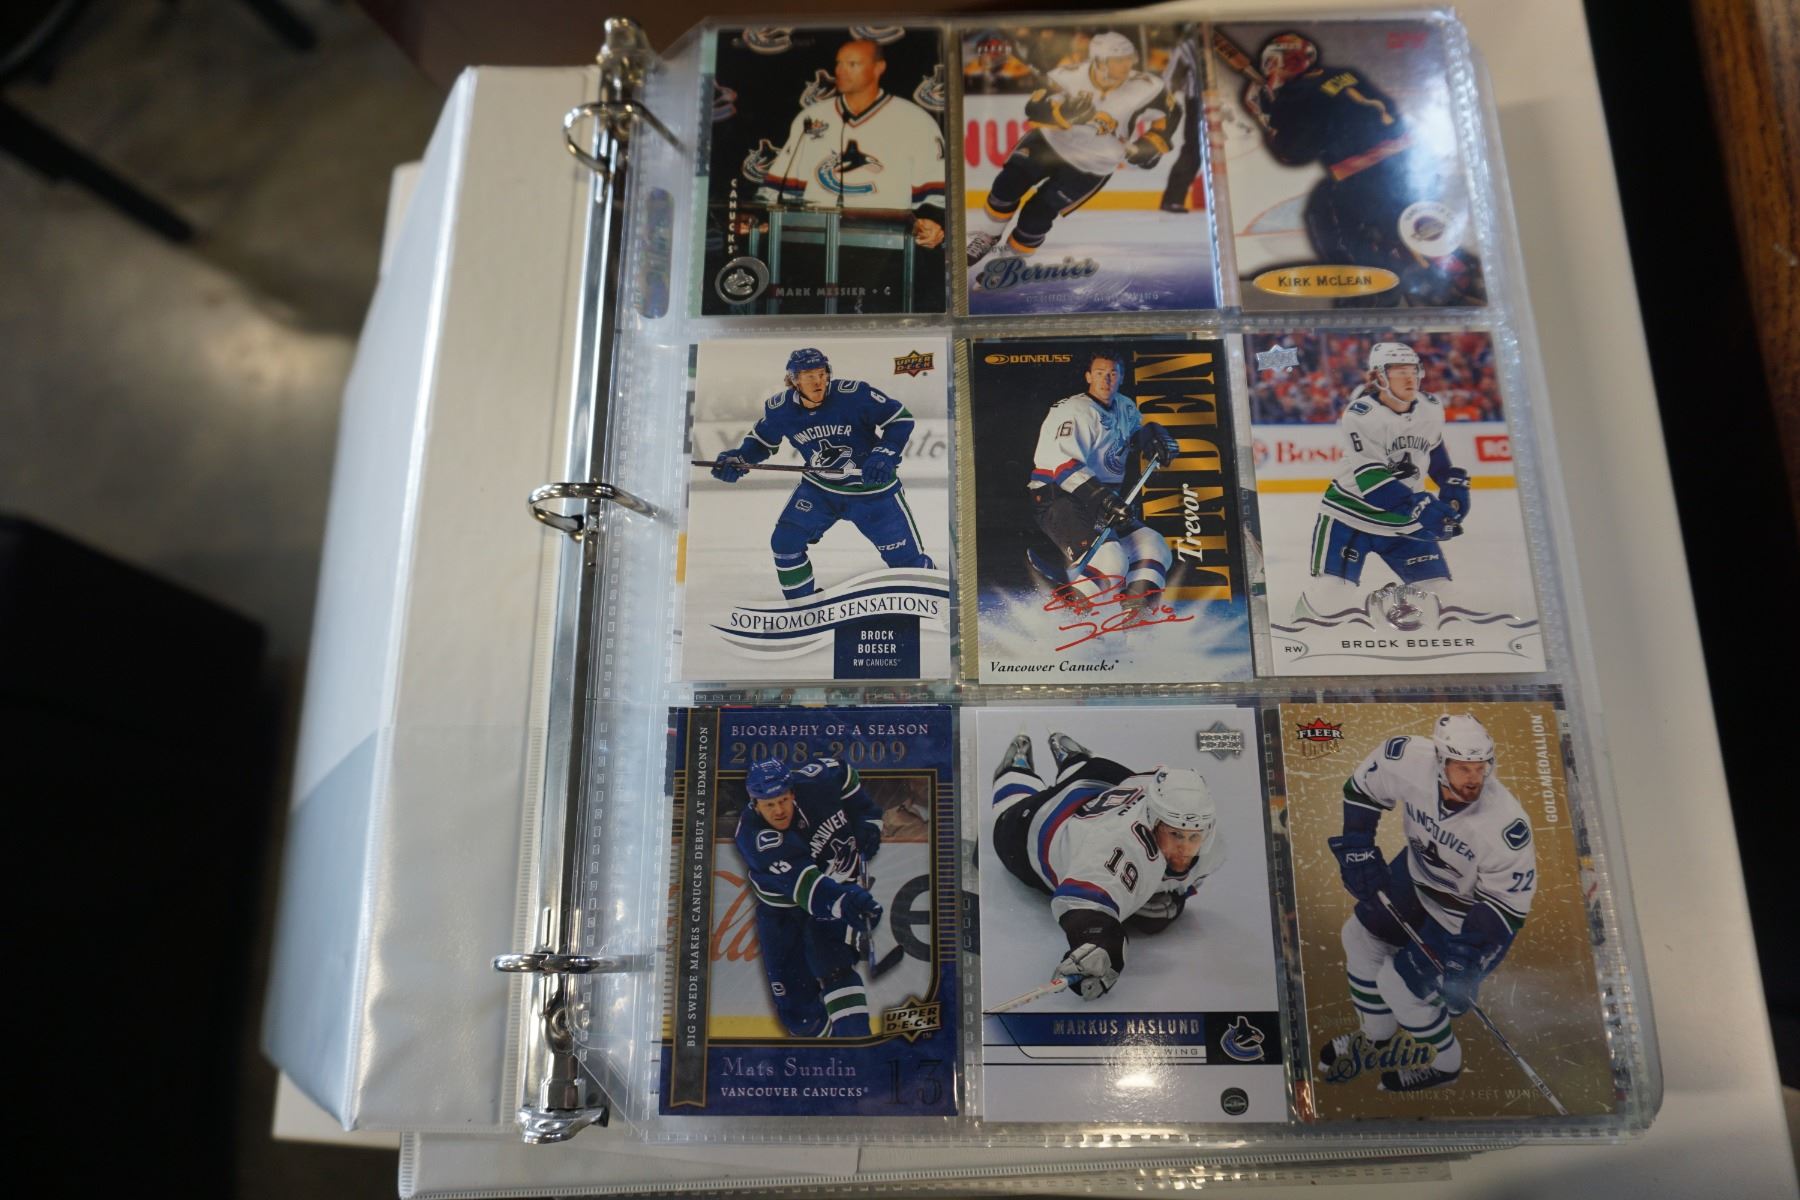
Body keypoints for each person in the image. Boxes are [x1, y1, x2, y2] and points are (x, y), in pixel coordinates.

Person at [1318, 713, 1536, 1091]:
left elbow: (1505, 906)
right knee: (1359, 938)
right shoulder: (1406, 758)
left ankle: (1445, 1065)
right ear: (1439, 761)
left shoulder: (1505, 826)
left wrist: (1470, 958)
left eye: (1481, 767)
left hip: (1466, 912)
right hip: (1417, 874)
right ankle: (1376, 1038)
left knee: (1399, 987)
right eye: (1463, 767)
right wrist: (1357, 847)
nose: (1474, 778)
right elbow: (1363, 789)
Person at [1238, 31, 1485, 306]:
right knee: (1401, 224)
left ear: (1276, 63)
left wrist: (1264, 113)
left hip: (1366, 172)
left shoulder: (1296, 94)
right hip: (1408, 165)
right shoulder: (1342, 74)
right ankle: (1454, 266)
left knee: (1325, 216)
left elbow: (1293, 153)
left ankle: (1370, 292)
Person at [990, 731, 1226, 999]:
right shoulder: (1123, 846)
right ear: (1153, 821)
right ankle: (1016, 771)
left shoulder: (1199, 829)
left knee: (1102, 769)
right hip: (1039, 823)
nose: (1184, 849)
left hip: (1103, 780)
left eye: (1193, 837)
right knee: (1008, 820)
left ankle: (1076, 761)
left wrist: (1168, 895)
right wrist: (1099, 940)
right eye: (1175, 834)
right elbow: (1083, 901)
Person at [711, 348, 934, 602]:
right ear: (794, 380)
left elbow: (899, 419)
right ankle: (802, 607)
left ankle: (936, 603)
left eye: (822, 374)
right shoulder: (780, 409)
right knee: (785, 543)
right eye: (809, 376)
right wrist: (740, 459)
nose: (818, 381)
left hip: (873, 492)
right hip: (820, 491)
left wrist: (884, 454)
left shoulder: (854, 395)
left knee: (907, 564)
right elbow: (761, 442)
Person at [967, 31, 1182, 264]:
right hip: (1049, 143)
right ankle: (988, 235)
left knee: (1038, 215)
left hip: (1093, 164)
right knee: (1007, 185)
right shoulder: (1066, 76)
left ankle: (1008, 263)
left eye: (1130, 58)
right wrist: (1068, 112)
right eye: (1119, 60)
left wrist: (1147, 146)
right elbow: (1035, 108)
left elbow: (1171, 114)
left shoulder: (1149, 87)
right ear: (1100, 61)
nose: (1127, 65)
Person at [1293, 341, 1469, 623]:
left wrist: (1450, 485)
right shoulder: (1361, 414)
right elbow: (1373, 482)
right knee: (1331, 594)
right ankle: (1300, 633)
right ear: (1380, 376)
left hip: (1404, 522)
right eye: (1399, 371)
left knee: (1443, 599)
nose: (1409, 378)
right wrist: (1421, 507)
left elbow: (1433, 451)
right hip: (1350, 516)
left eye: (1412, 370)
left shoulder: (1431, 407)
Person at [734, 757, 885, 1037]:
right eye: (769, 805)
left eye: (783, 800)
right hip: (785, 915)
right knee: (799, 1016)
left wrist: (868, 821)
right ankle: (824, 1046)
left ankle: (855, 1046)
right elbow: (808, 887)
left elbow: (844, 773)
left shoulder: (817, 781)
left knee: (833, 965)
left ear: (793, 792)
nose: (779, 810)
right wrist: (847, 902)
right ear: (755, 804)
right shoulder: (754, 837)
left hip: (831, 895)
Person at [751, 37, 945, 250]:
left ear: (879, 68)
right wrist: (758, 218)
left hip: (887, 247)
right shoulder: (811, 118)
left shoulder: (914, 119)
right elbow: (778, 190)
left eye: (852, 64)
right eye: (838, 63)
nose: (840, 71)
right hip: (814, 242)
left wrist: (932, 223)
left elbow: (936, 194)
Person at [1027, 351, 1177, 610]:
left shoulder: (1125, 406)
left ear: (1121, 377)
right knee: (1110, 560)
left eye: (1112, 373)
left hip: (1101, 500)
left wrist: (1153, 436)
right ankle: (1070, 621)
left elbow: (1134, 434)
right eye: (1099, 373)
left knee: (1154, 546)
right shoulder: (1075, 411)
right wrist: (1105, 500)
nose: (1106, 380)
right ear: (1088, 377)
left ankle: (1137, 617)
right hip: (1060, 497)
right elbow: (1063, 467)